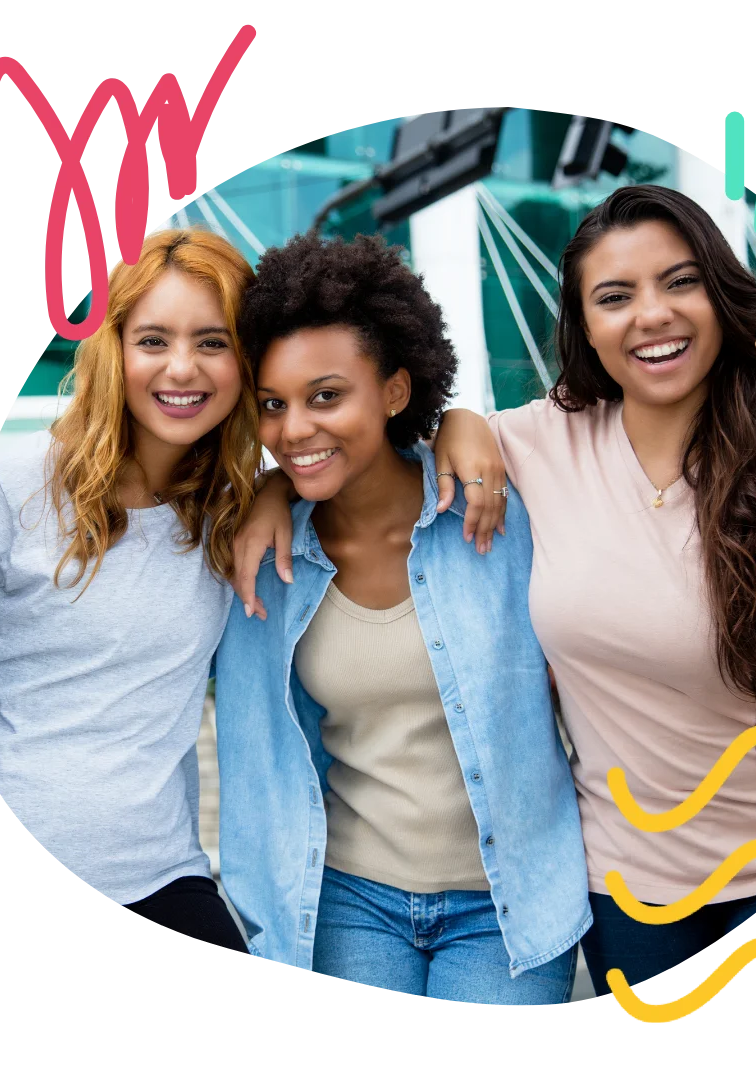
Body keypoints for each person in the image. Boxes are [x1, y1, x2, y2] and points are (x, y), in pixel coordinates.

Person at [232, 186, 756, 996]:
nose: (650, 314)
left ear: (722, 297)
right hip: (633, 881)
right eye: (614, 297)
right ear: (585, 327)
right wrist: (277, 491)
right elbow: (416, 439)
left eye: (680, 282)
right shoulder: (538, 446)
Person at [212, 232, 591, 1005]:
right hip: (351, 900)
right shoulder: (264, 558)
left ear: (393, 391)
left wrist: (467, 420)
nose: (294, 430)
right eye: (272, 406)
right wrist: (269, 491)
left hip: (508, 904)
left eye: (327, 396)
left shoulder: (497, 512)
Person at [0, 228, 259, 956]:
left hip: (164, 874)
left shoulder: (233, 508)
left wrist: (462, 426)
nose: (182, 367)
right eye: (153, 339)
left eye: (213, 342)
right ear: (113, 349)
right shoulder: (8, 485)